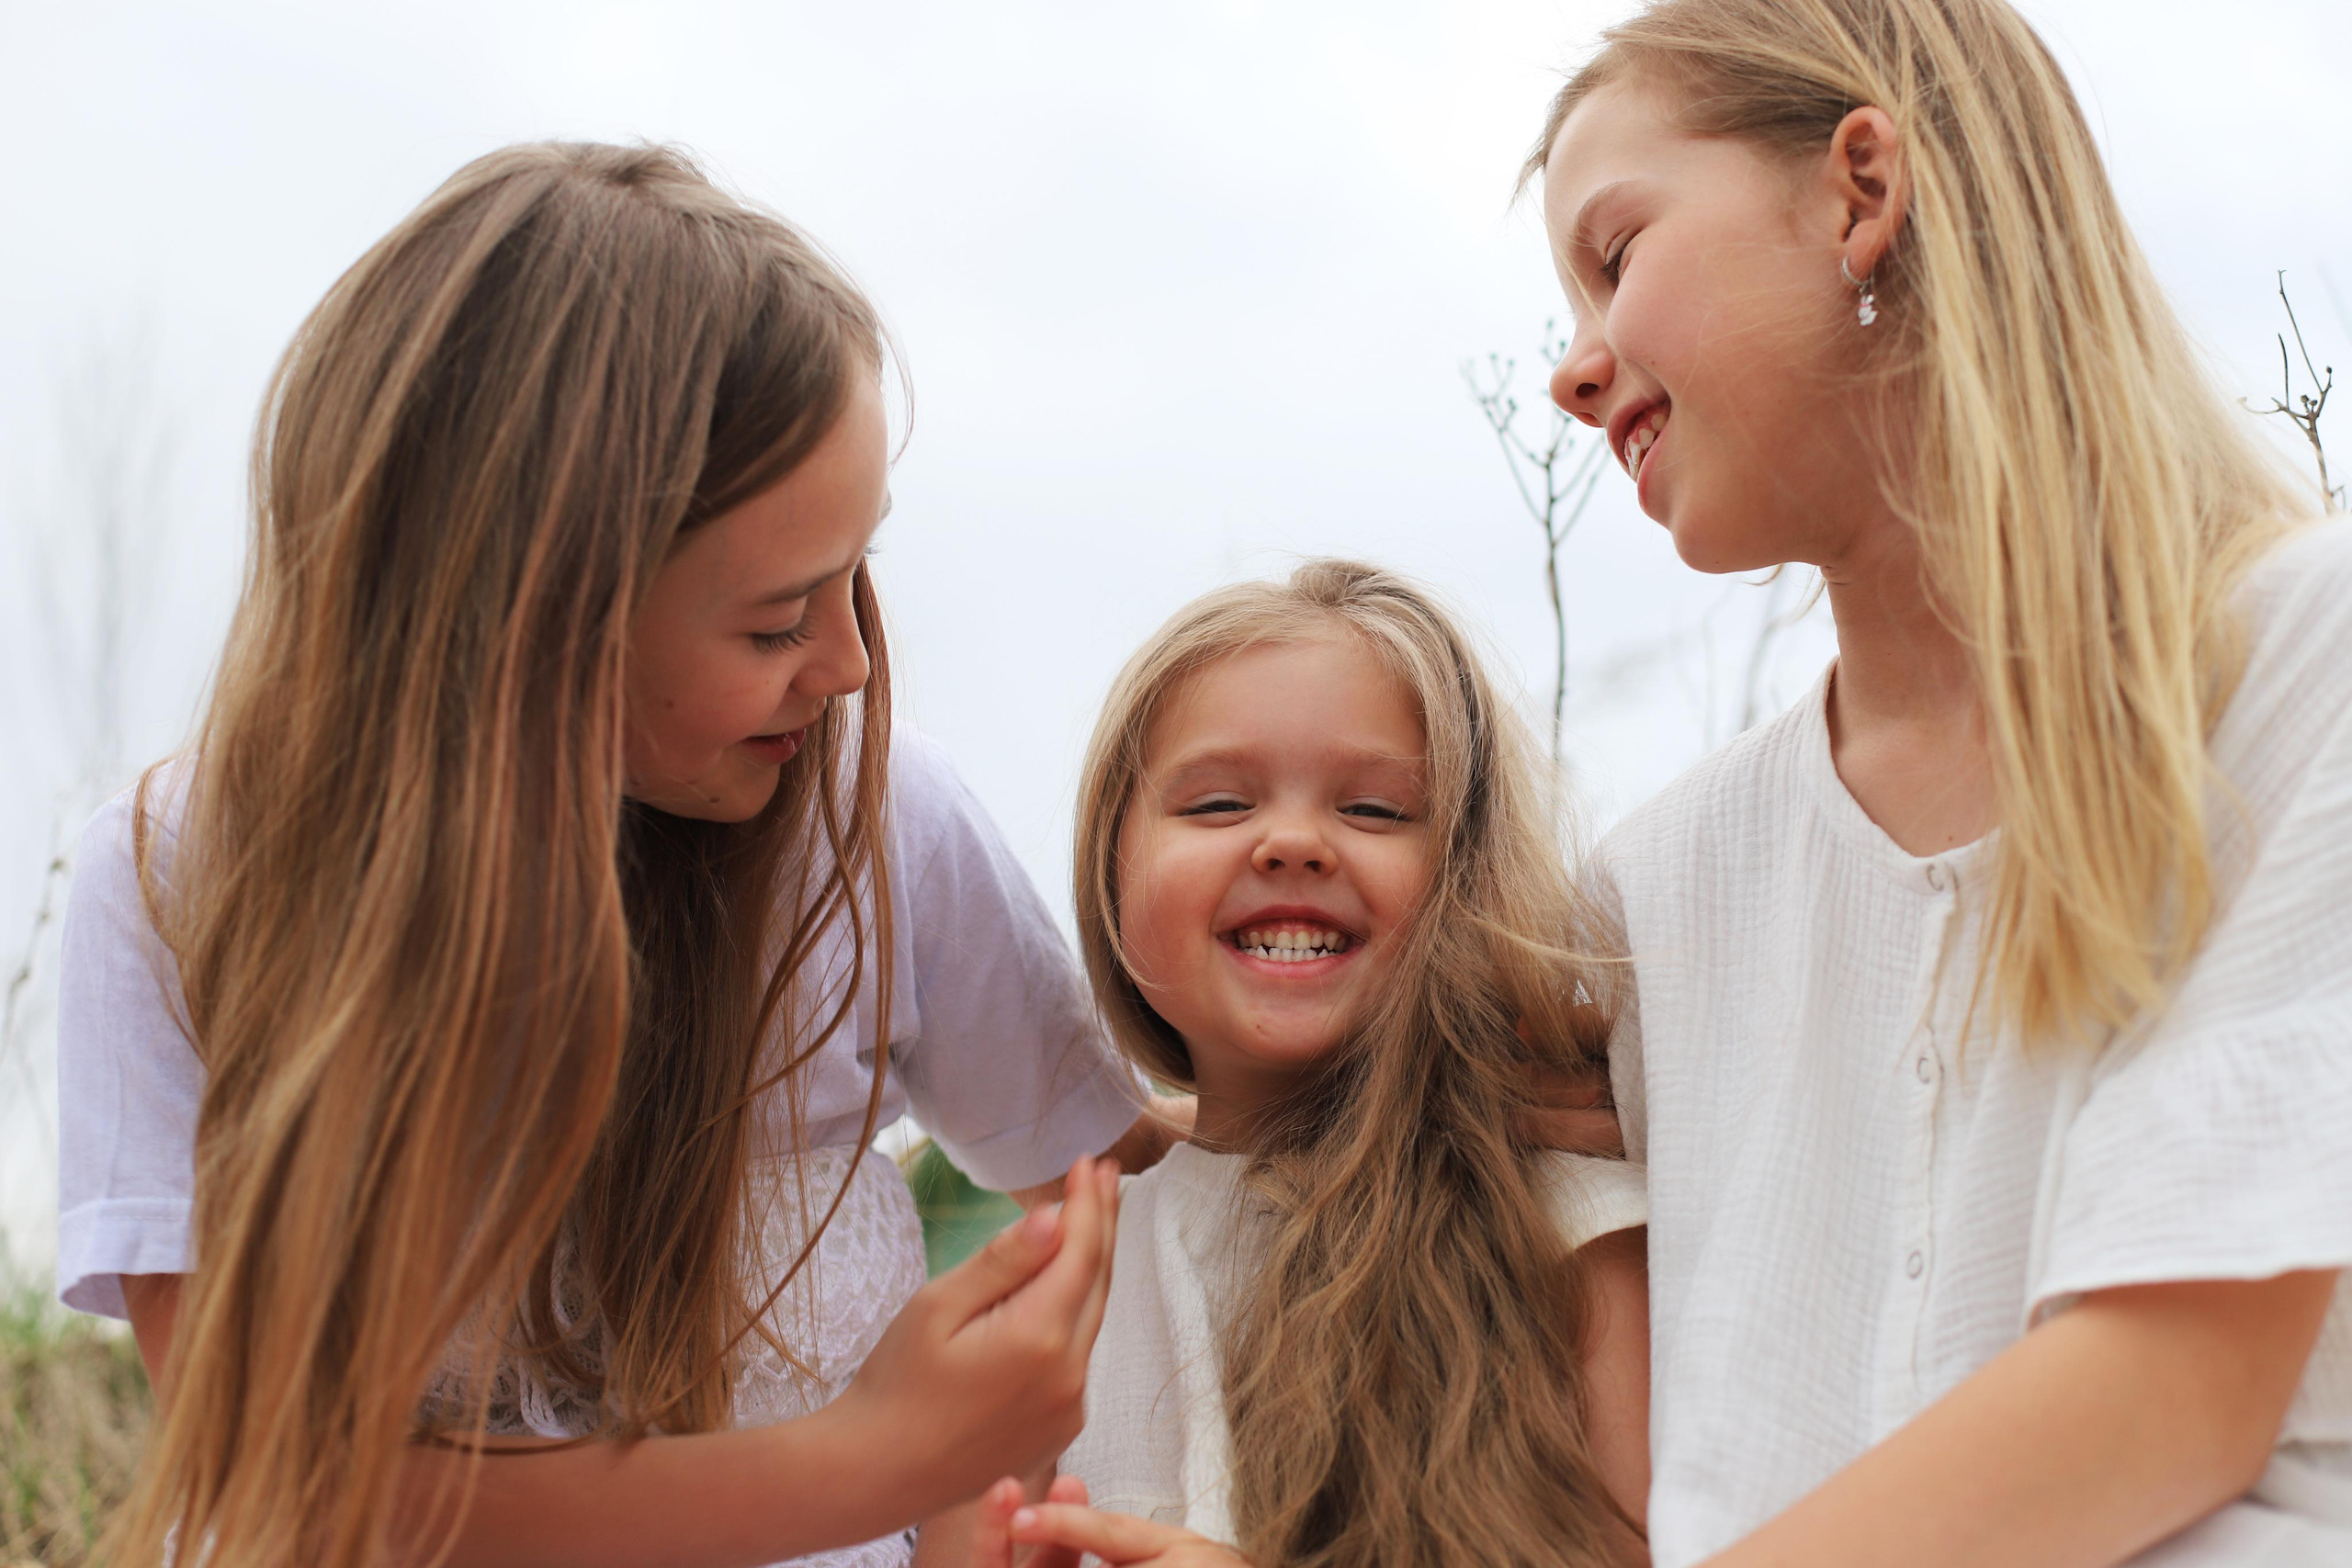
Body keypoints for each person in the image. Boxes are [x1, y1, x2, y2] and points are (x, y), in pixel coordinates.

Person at [53, 141, 1154, 1568]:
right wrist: (868, 1459)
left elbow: (1133, 1191)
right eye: (774, 620)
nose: (850, 664)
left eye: (856, 576)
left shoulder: (874, 832)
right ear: (522, 634)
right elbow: (281, 1473)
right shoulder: (185, 881)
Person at [1529, 1, 2352, 1563]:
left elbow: (2170, 1391)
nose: (1572, 370)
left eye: (1615, 252)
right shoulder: (1648, 892)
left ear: (1862, 192)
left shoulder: (2308, 660)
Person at [969, 560, 1653, 1568]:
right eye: (1213, 806)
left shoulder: (1566, 1231)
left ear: (1466, 877)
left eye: (1374, 811)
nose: (1293, 842)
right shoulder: (1052, 1294)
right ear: (1108, 871)